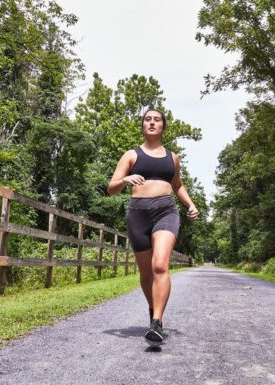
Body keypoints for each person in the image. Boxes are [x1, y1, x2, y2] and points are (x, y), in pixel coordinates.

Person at [107, 108, 199, 344]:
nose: (151, 122)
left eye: (156, 120)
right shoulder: (131, 155)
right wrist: (125, 179)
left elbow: (177, 185)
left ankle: (157, 322)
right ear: (142, 126)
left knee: (159, 265)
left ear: (163, 127)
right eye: (147, 119)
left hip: (166, 211)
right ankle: (153, 310)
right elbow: (112, 187)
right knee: (146, 273)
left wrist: (190, 204)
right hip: (137, 214)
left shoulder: (172, 157)